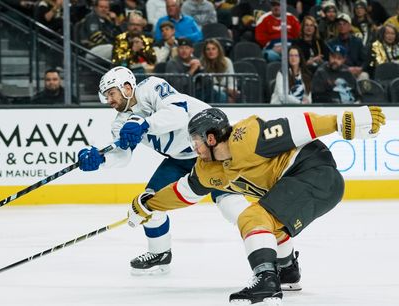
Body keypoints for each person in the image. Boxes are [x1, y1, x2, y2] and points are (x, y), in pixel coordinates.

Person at [127, 105, 386, 304]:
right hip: (304, 183)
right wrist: (150, 205)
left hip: (314, 172)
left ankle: (265, 280)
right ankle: (286, 272)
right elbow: (184, 191)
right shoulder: (208, 169)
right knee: (270, 225)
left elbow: (299, 126)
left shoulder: (247, 136)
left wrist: (339, 121)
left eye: (195, 138)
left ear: (212, 137)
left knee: (252, 217)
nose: (193, 145)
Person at [77, 66, 249, 276]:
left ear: (127, 88)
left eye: (111, 94)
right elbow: (123, 155)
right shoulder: (120, 122)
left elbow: (177, 115)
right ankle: (159, 253)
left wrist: (144, 124)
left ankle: (268, 243)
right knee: (148, 203)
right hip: (178, 161)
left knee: (230, 205)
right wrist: (101, 159)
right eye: (106, 96)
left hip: (212, 153)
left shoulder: (151, 87)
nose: (109, 101)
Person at [327, 13, 368, 79]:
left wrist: (360, 68)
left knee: (364, 75)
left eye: (344, 24)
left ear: (349, 26)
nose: (342, 26)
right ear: (337, 27)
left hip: (355, 72)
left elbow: (365, 59)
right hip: (338, 72)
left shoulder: (358, 42)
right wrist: (345, 69)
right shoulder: (331, 43)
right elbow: (329, 63)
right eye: (339, 24)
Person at [198, 38, 237, 103]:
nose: (211, 52)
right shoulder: (201, 63)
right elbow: (208, 85)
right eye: (208, 49)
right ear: (205, 52)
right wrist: (224, 89)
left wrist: (232, 90)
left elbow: (231, 79)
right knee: (221, 96)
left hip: (226, 91)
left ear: (218, 50)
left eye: (213, 49)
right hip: (209, 92)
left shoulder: (227, 61)